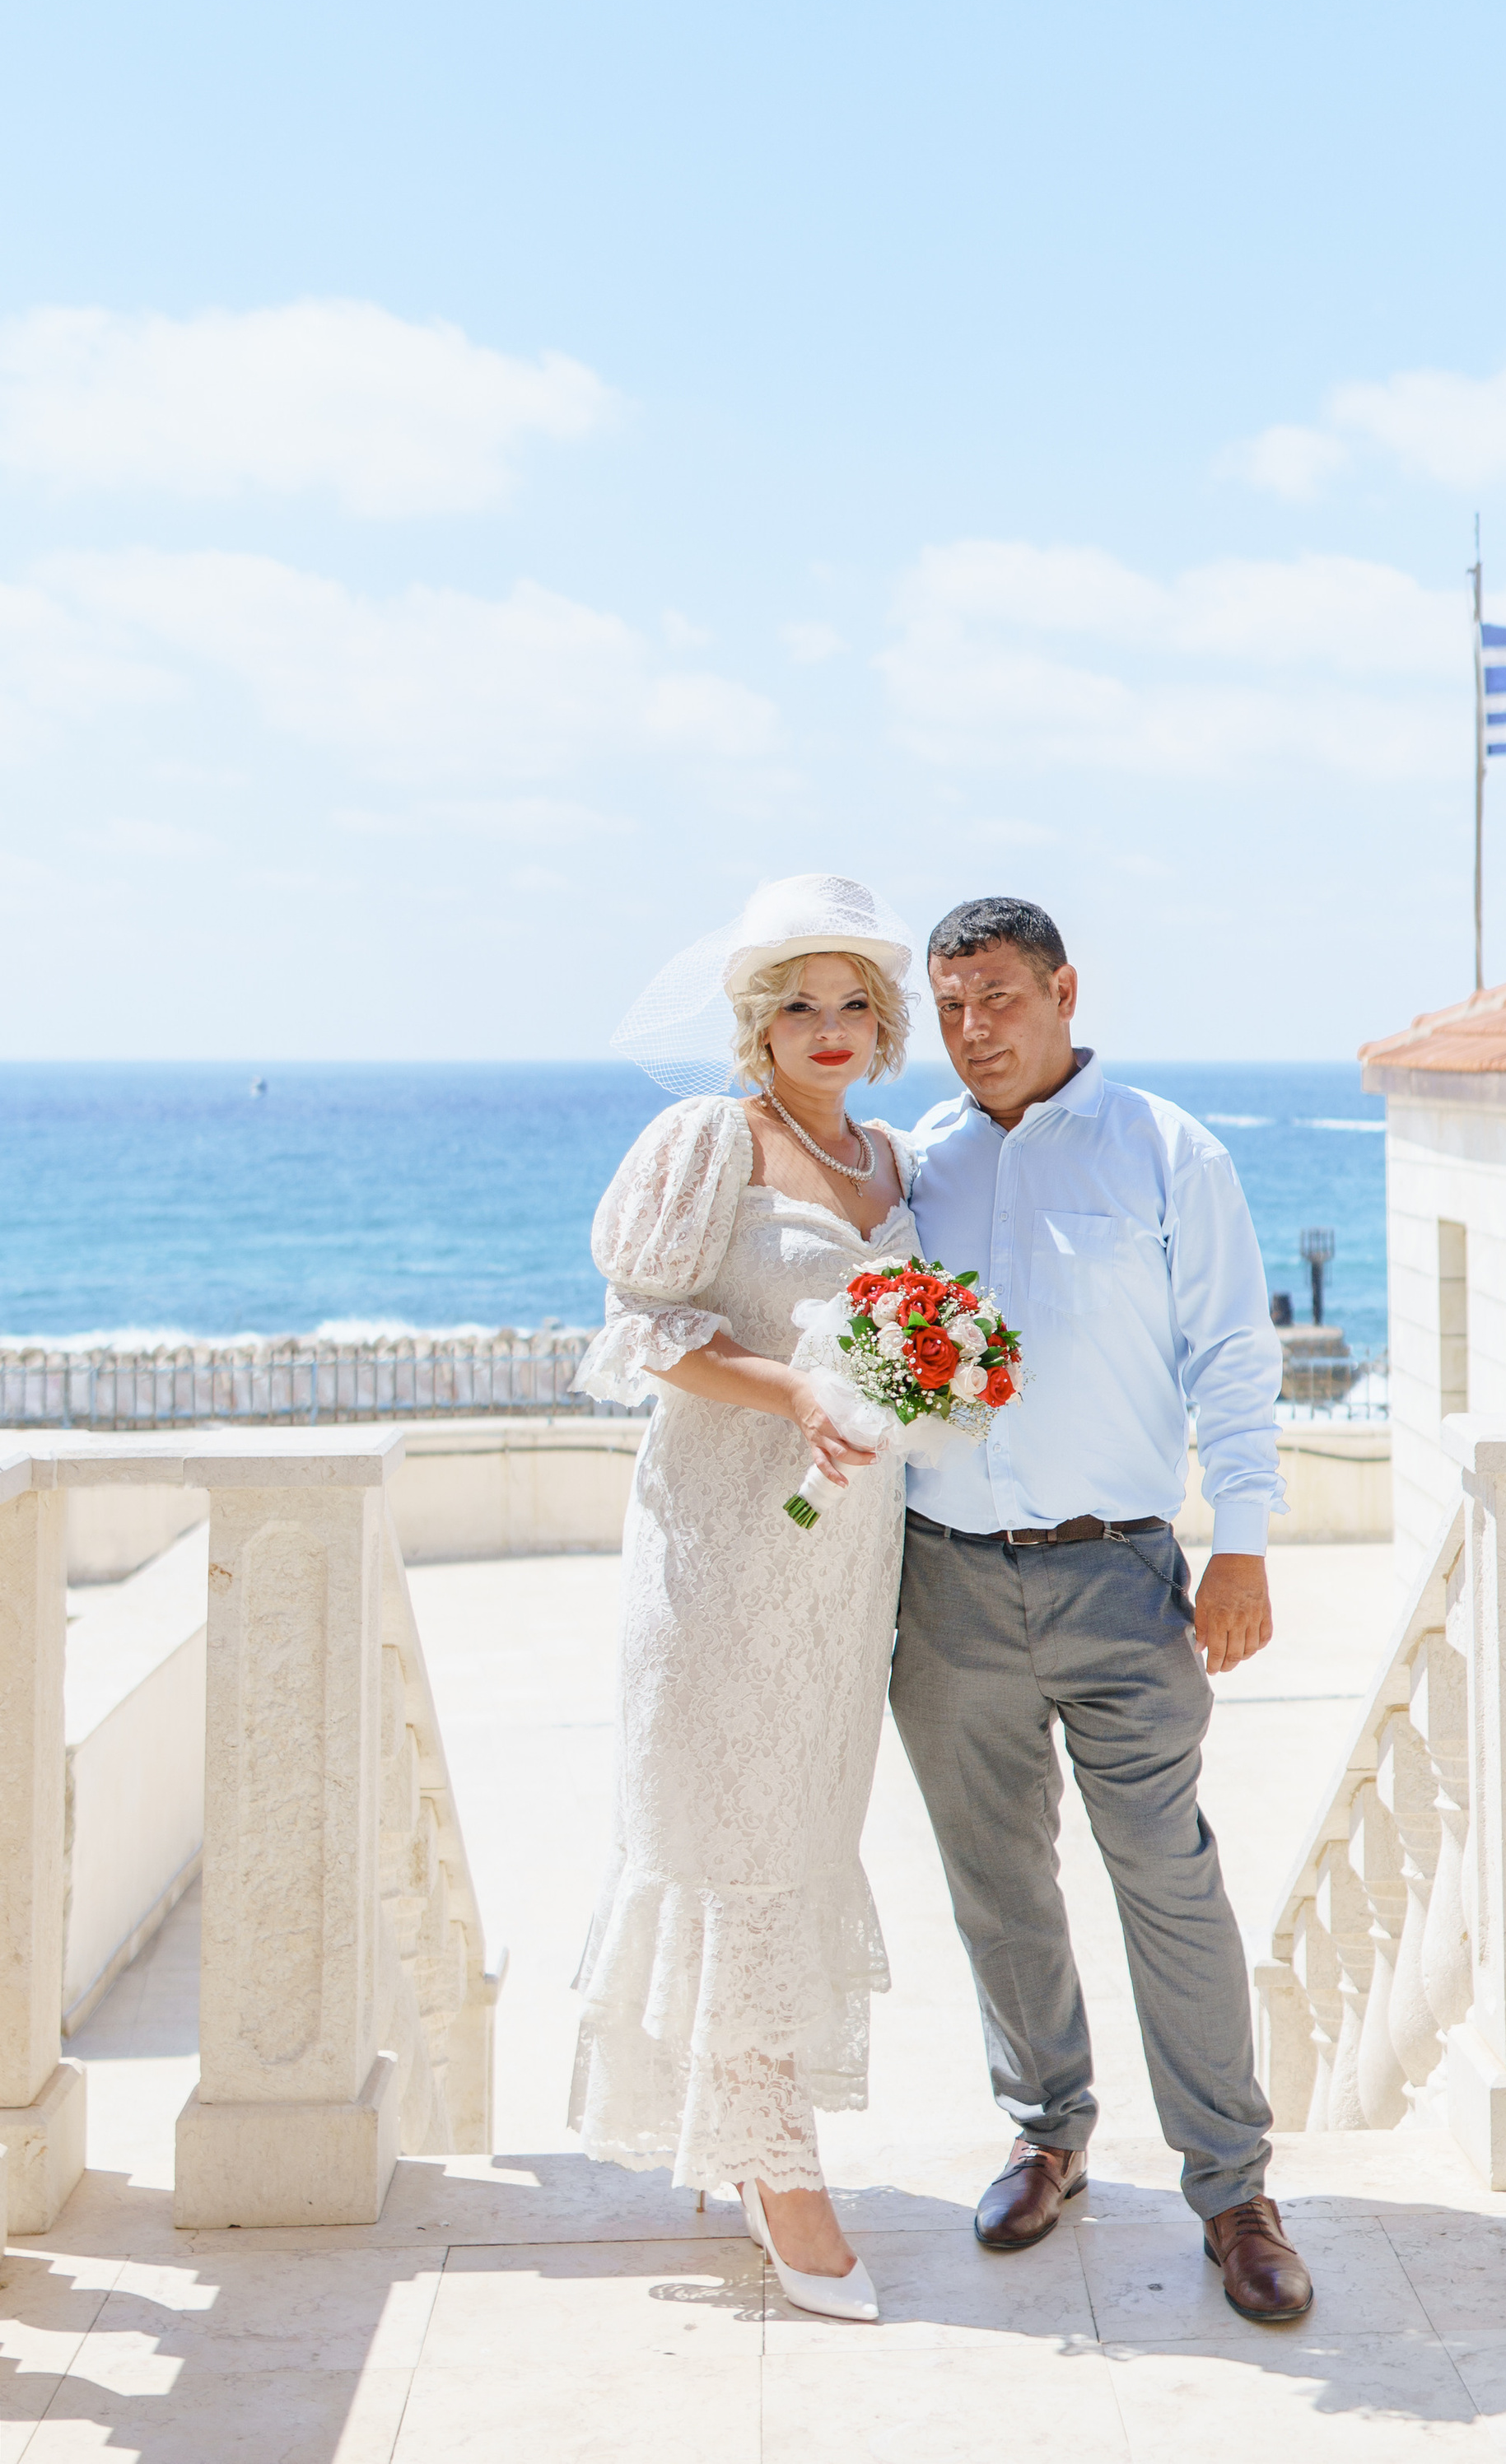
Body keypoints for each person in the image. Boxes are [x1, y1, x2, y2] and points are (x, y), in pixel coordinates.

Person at [891, 894, 1313, 2326]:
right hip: (944, 1579)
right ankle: (1046, 2131)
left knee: (1168, 1879)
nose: (973, 1029)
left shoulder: (1165, 1149)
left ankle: (1234, 2188)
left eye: (997, 996)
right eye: (949, 1006)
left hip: (1123, 1577)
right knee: (995, 1880)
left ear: (1065, 990)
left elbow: (1231, 1358)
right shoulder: (917, 1170)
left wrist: (1242, 1543)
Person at [568, 874, 921, 2325]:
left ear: (883, 1023)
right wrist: (783, 1384)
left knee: (802, 1824)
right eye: (799, 1005)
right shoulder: (711, 1141)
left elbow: (913, 1349)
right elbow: (636, 1334)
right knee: (735, 1828)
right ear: (755, 1024)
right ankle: (779, 2170)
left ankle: (742, 2130)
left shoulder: (896, 1159)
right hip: (721, 1551)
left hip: (843, 1558)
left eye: (851, 1005)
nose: (827, 1030)